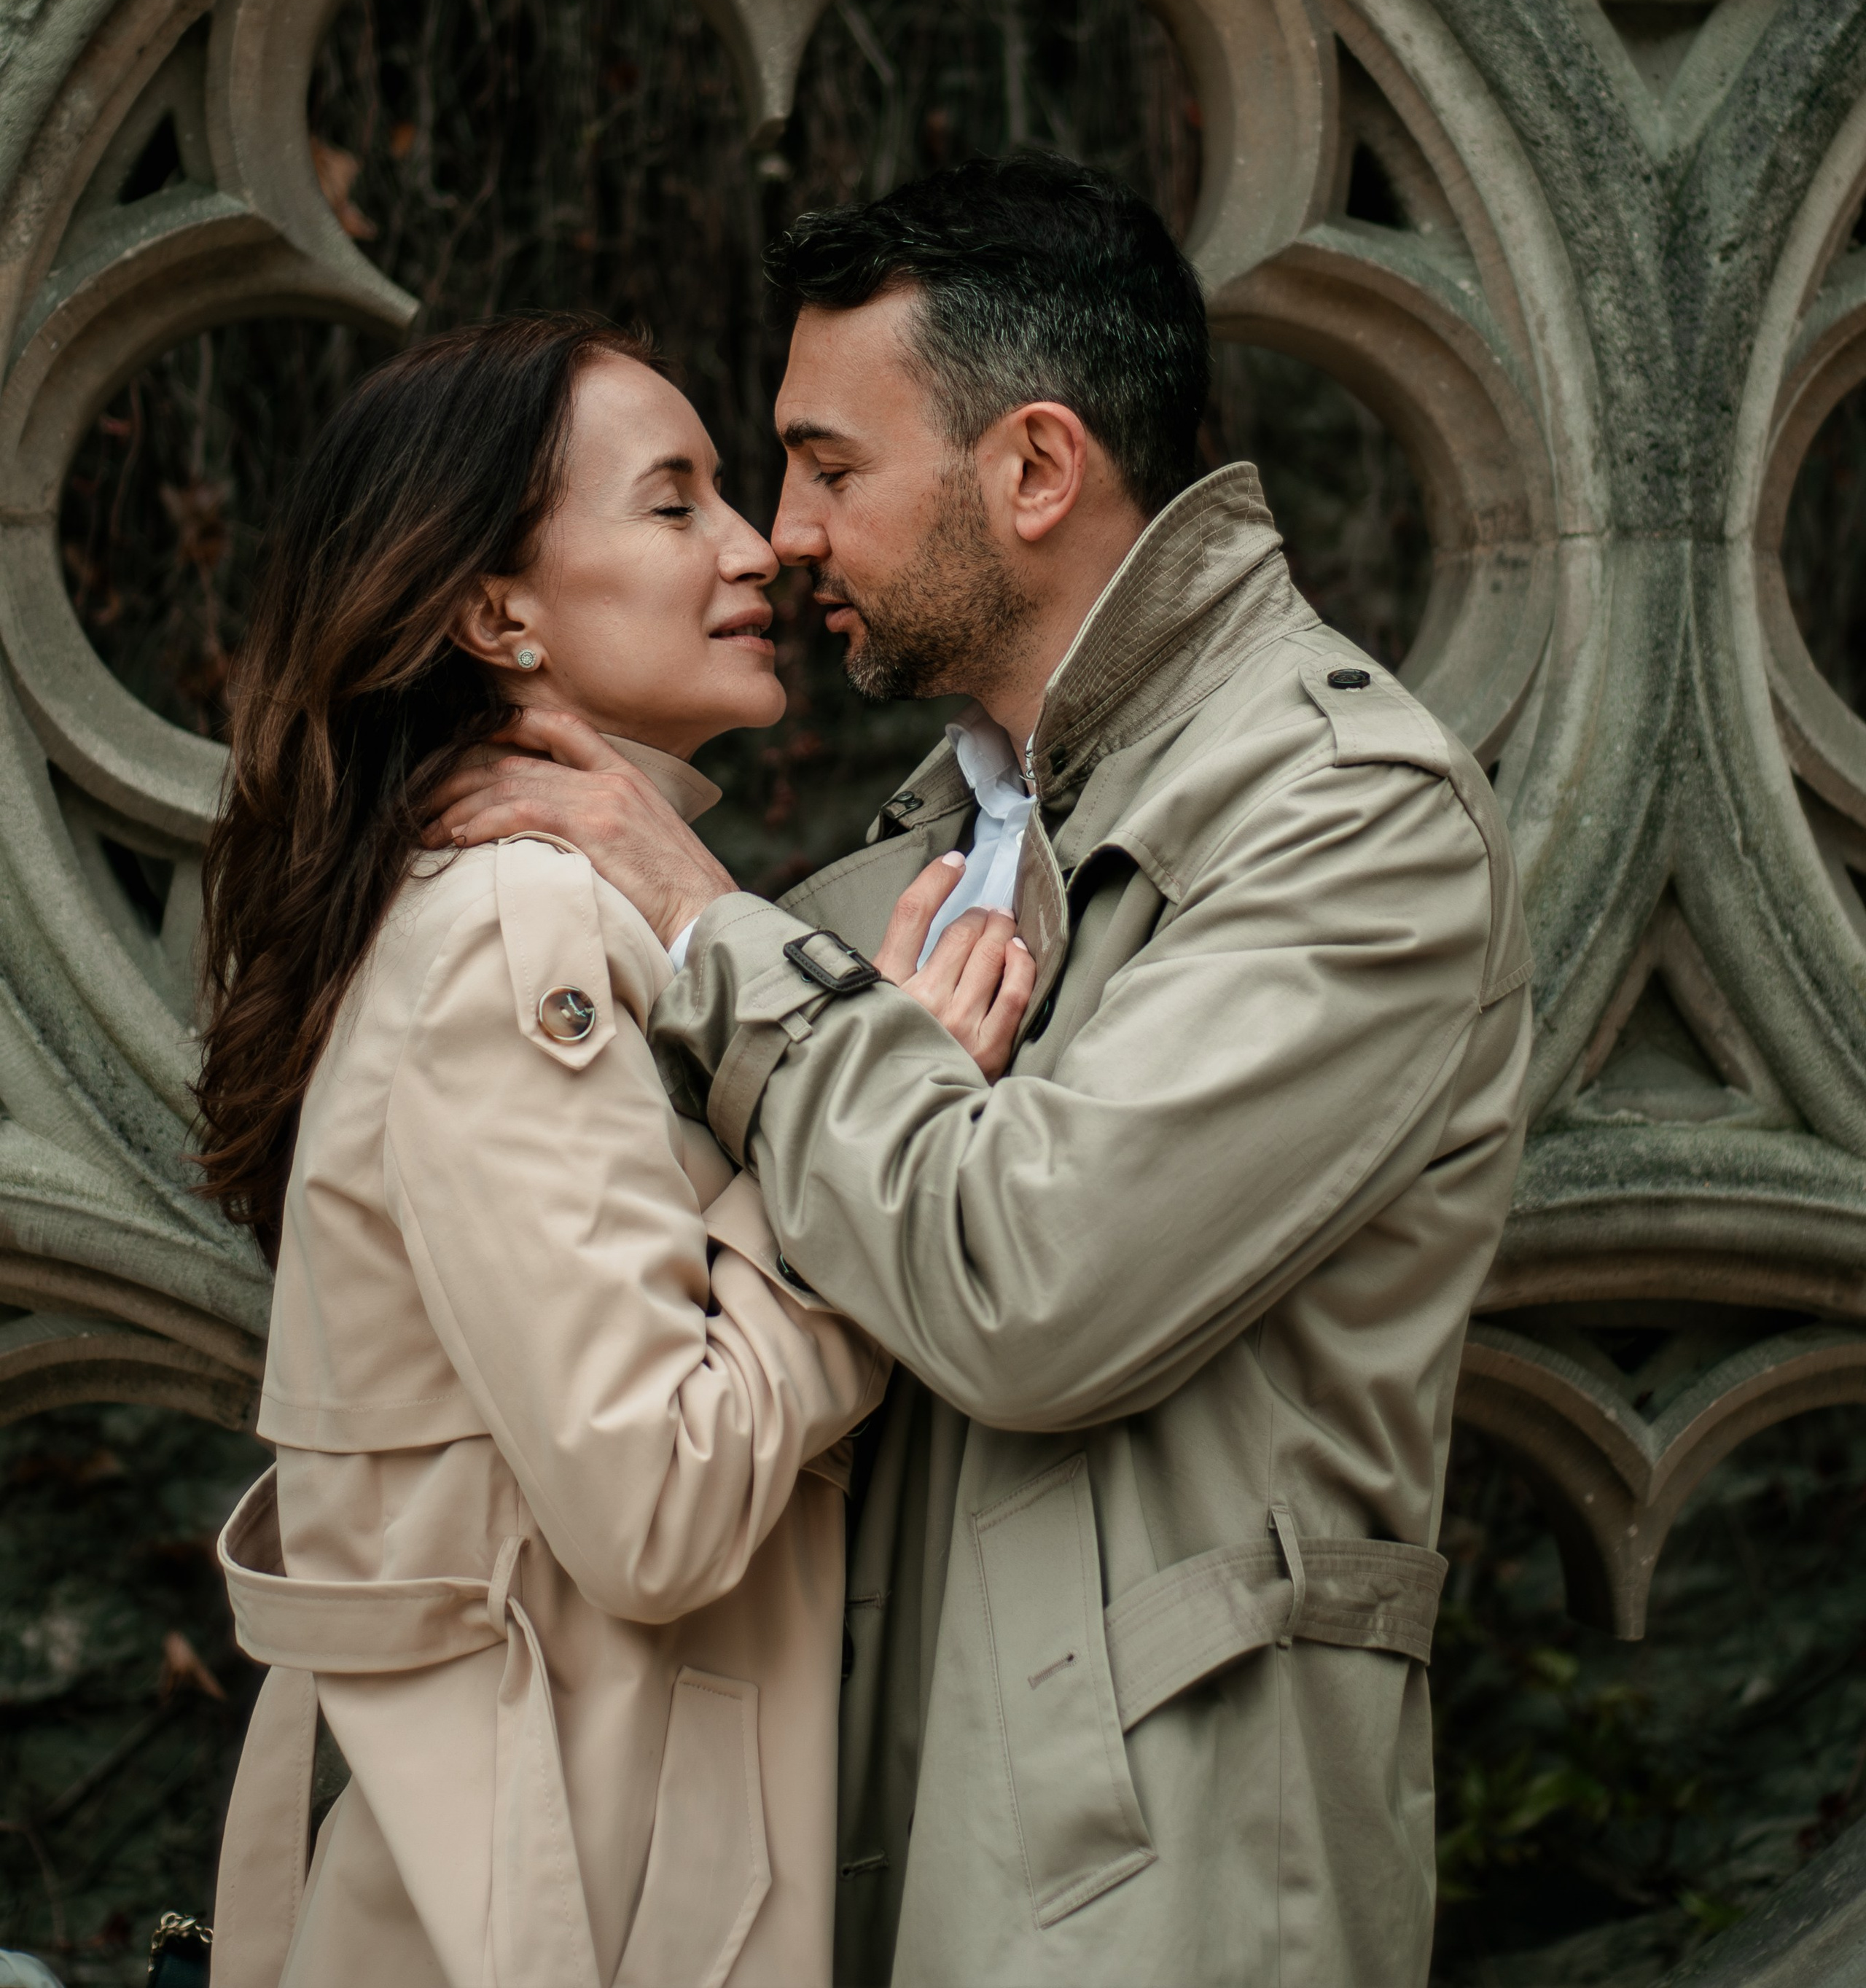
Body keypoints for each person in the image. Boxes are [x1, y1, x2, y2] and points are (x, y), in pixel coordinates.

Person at [431, 155, 1536, 1988]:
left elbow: (1035, 1287)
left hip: (1160, 1900)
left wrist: (713, 931)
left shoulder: (1352, 825)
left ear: (1033, 468)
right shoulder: (894, 872)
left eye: (830, 466)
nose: (783, 534)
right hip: (829, 1869)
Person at [194, 313, 1014, 1988]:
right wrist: (868, 1143)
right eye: (673, 502)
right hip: (578, 1910)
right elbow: (655, 1499)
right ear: (498, 610)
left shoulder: (546, 921)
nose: (755, 545)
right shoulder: (514, 927)